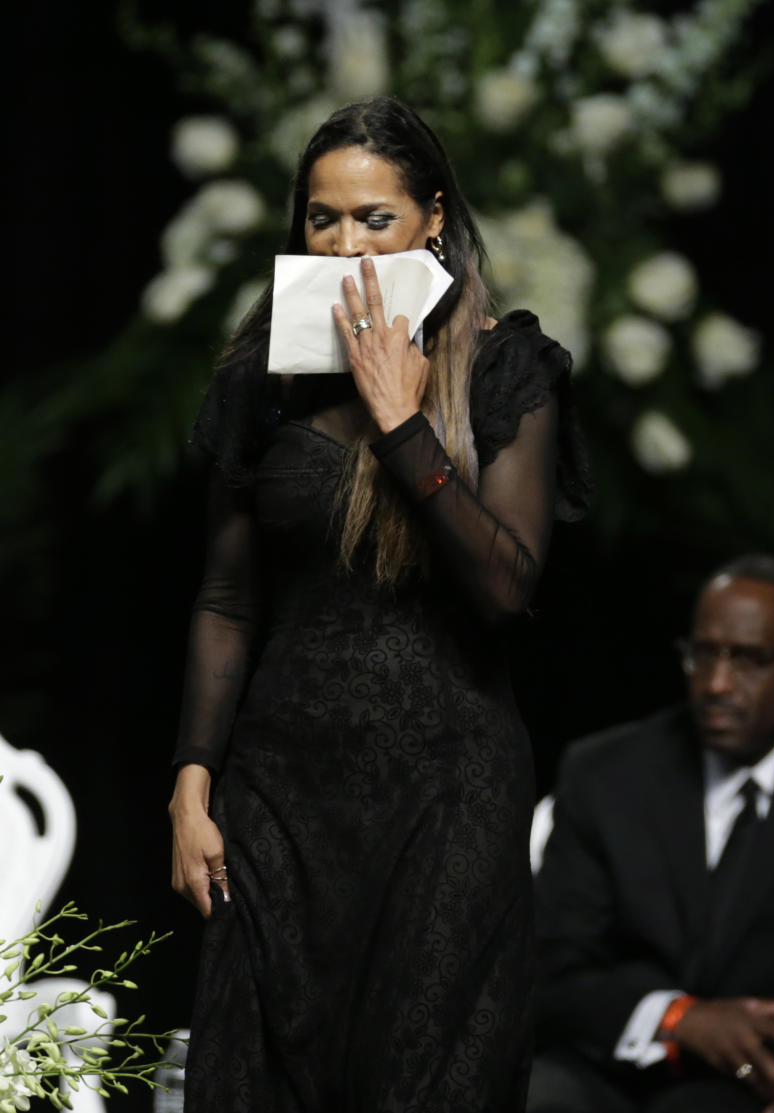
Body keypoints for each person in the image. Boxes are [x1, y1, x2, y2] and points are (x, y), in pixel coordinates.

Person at [167, 96, 588, 1113]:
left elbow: (505, 590)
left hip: (444, 802)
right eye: (324, 218)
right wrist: (191, 786)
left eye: (376, 218)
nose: (348, 244)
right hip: (278, 802)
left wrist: (403, 421)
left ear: (432, 219)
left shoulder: (504, 370)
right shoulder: (262, 378)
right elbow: (227, 601)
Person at [529, 555, 774, 1113]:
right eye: (703, 654)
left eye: (749, 660)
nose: (716, 683)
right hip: (611, 1067)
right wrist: (676, 1018)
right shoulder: (605, 773)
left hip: (768, 1083)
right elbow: (554, 964)